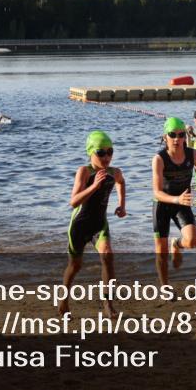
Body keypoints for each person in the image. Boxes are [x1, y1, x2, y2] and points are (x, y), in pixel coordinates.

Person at [60, 131, 126, 318]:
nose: (106, 157)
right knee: (75, 266)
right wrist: (94, 186)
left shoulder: (114, 173)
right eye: (101, 152)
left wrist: (122, 204)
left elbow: (121, 182)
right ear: (90, 152)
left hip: (99, 224)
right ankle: (64, 301)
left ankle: (108, 304)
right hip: (79, 226)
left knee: (108, 256)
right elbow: (74, 202)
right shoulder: (85, 172)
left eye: (110, 151)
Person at [152, 117, 196, 287]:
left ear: (185, 136)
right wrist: (176, 198)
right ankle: (164, 286)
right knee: (161, 253)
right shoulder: (159, 159)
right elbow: (157, 192)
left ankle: (176, 243)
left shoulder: (193, 154)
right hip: (162, 205)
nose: (177, 139)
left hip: (181, 204)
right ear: (165, 137)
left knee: (193, 241)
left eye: (181, 134)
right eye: (172, 134)